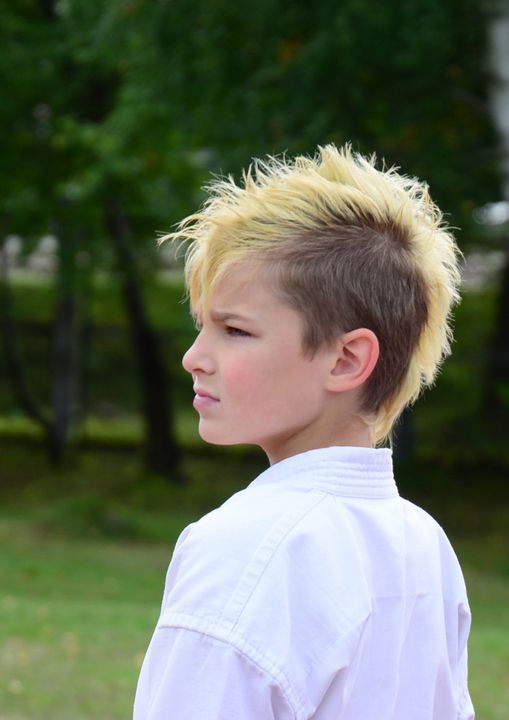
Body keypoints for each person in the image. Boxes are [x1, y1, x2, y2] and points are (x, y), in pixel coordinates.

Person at [133, 144, 474, 719]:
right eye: (201, 327)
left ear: (346, 360)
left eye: (235, 331)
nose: (194, 357)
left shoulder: (244, 546)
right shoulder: (423, 544)